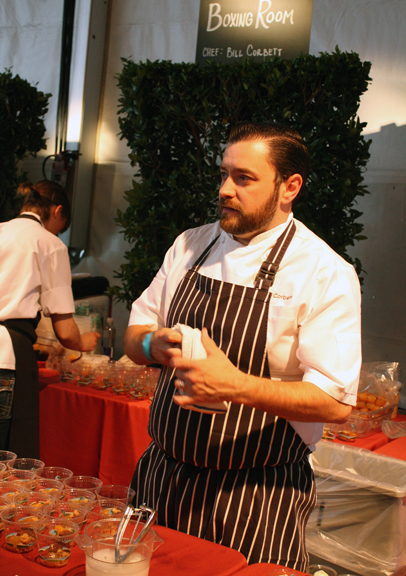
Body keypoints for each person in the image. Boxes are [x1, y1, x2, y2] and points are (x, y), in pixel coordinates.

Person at [123, 122, 361, 571]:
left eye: (244, 178)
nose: (225, 190)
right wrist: (154, 344)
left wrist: (235, 386)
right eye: (224, 174)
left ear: (290, 187)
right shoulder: (190, 245)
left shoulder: (324, 272)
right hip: (162, 478)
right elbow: (135, 332)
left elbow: (334, 402)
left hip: (255, 497)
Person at [0, 180, 100, 458]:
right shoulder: (50, 244)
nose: (58, 233)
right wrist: (84, 342)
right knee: (6, 461)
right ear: (57, 211)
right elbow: (65, 331)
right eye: (61, 227)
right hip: (6, 357)